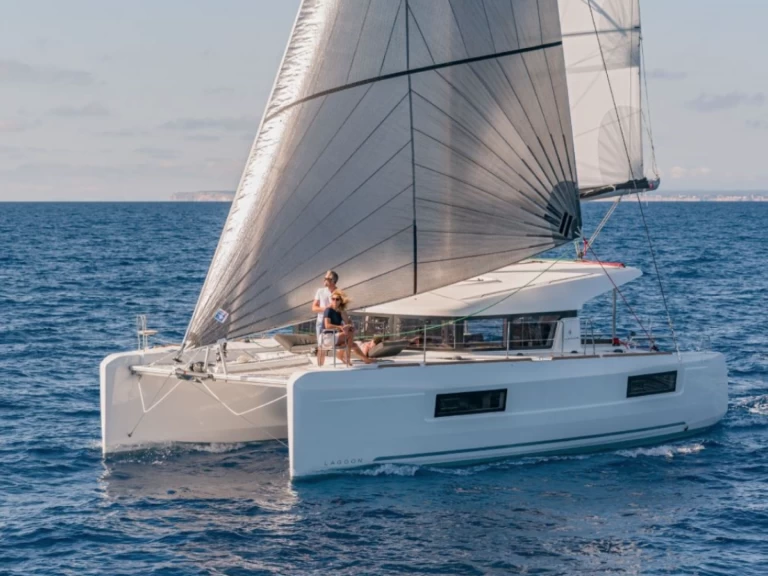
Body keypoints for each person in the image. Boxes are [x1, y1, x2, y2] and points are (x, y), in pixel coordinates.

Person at [322, 290, 374, 366]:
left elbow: (347, 322)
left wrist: (349, 325)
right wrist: (340, 327)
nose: (335, 301)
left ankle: (365, 359)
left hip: (335, 337)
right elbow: (327, 325)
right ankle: (347, 358)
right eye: (333, 299)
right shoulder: (328, 310)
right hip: (327, 337)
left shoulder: (339, 312)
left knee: (354, 345)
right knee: (350, 334)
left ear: (341, 301)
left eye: (337, 299)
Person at [311, 270, 338, 364]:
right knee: (320, 346)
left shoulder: (338, 293)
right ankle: (320, 366)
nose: (324, 280)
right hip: (320, 323)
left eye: (326, 278)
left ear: (333, 281)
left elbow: (341, 309)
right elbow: (314, 308)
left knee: (334, 345)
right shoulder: (320, 291)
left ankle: (343, 360)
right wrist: (327, 308)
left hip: (334, 323)